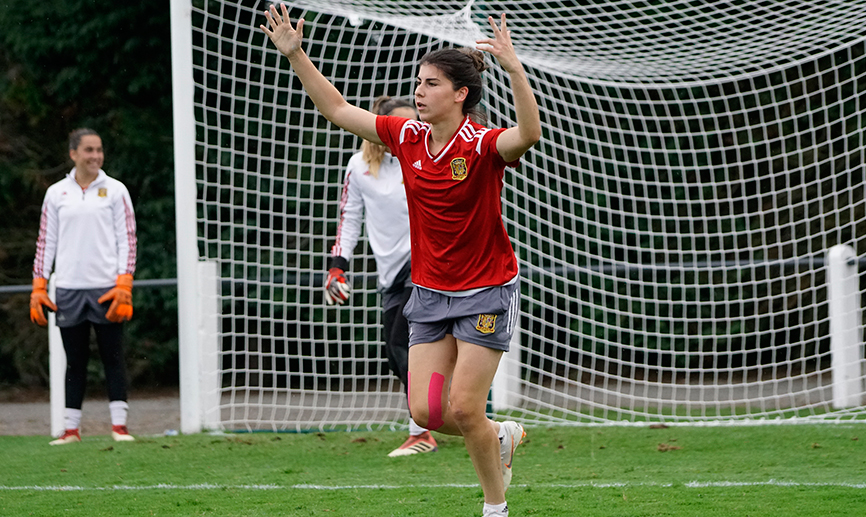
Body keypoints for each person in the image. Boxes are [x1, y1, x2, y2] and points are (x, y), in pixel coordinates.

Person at [262, 6, 540, 516]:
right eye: (418, 82)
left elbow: (527, 134)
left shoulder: (481, 146)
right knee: (425, 411)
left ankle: (495, 507)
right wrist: (296, 55)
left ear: (460, 94)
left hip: (485, 289)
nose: (419, 91)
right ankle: (500, 434)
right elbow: (341, 111)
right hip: (429, 290)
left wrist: (515, 70)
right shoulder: (404, 136)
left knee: (462, 406)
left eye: (431, 84)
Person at [325, 95, 438, 457]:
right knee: (395, 354)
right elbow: (350, 218)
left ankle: (421, 432)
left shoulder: (426, 160)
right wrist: (337, 267)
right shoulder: (358, 166)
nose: (410, 131)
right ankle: (453, 413)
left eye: (415, 124)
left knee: (405, 344)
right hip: (389, 274)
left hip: (427, 264)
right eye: (400, 125)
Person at [30, 128, 138, 445]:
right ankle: (71, 430)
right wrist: (39, 286)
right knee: (74, 360)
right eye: (89, 150)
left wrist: (124, 282)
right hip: (68, 290)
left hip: (108, 288)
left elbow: (127, 240)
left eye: (99, 150)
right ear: (73, 153)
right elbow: (45, 242)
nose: (95, 156)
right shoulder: (55, 193)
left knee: (113, 357)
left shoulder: (116, 190)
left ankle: (120, 427)